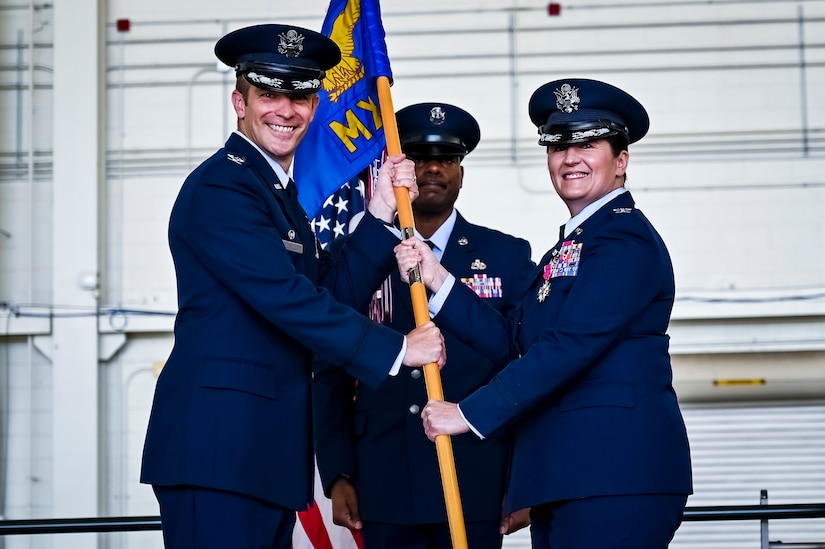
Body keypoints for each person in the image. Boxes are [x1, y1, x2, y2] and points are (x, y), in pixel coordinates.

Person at [140, 24, 446, 549]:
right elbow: (287, 299)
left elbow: (325, 289)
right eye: (269, 94)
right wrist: (398, 349)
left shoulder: (274, 192)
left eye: (301, 95)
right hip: (220, 450)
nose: (286, 110)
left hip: (261, 453)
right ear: (240, 101)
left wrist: (377, 216)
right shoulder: (223, 186)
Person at [397, 79, 693, 548]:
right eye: (558, 146)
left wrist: (467, 414)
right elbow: (517, 346)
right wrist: (440, 282)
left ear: (621, 161)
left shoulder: (623, 241)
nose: (569, 157)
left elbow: (569, 347)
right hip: (568, 477)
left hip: (614, 473)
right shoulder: (576, 243)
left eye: (588, 144)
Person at [312, 102, 536, 549]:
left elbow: (527, 367)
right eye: (418, 157)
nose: (433, 168)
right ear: (398, 170)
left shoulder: (506, 256)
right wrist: (337, 472)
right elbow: (330, 362)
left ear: (462, 172)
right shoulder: (361, 257)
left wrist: (525, 479)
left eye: (448, 159)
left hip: (477, 480)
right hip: (383, 480)